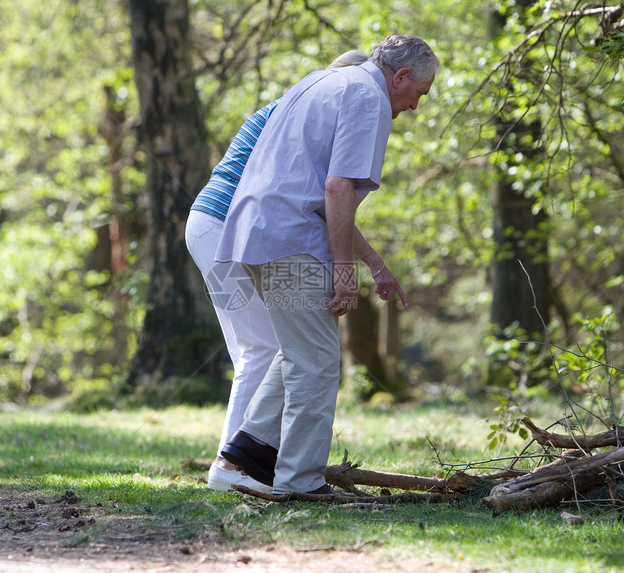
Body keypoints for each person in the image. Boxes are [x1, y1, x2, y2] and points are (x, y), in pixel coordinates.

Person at [216, 34, 440, 494]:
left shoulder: (321, 81)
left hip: (254, 231)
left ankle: (249, 455)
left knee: (302, 349)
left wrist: (374, 265)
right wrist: (345, 272)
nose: (415, 106)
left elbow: (322, 190)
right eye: (419, 93)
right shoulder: (369, 99)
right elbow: (337, 190)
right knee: (316, 363)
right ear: (400, 77)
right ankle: (298, 482)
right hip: (290, 237)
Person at [185, 50, 370, 494]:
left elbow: (329, 210)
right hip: (225, 230)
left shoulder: (294, 106)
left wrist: (373, 261)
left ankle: (242, 462)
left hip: (211, 228)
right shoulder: (311, 114)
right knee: (265, 348)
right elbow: (328, 202)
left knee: (263, 348)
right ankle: (233, 467)